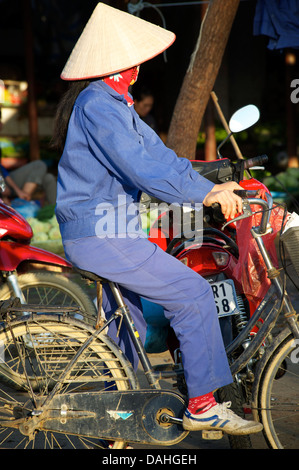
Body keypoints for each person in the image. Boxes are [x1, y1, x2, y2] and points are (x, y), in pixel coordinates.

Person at [53, 3, 263, 436]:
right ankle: (202, 405)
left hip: (108, 231)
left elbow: (161, 159)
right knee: (191, 293)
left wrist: (215, 183)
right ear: (121, 61)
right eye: (136, 58)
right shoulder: (100, 103)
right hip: (101, 232)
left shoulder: (115, 102)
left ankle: (118, 419)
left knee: (125, 326)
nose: (141, 65)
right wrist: (207, 193)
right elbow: (143, 168)